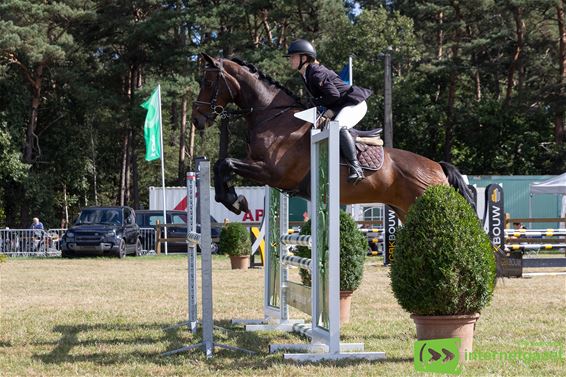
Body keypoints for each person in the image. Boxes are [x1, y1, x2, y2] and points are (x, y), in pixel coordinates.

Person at [285, 39, 373, 183]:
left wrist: (316, 104)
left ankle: (356, 167)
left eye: (293, 57)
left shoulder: (315, 72)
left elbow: (333, 95)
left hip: (354, 104)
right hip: (341, 106)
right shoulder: (305, 74)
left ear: (304, 58)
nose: (290, 60)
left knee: (336, 127)